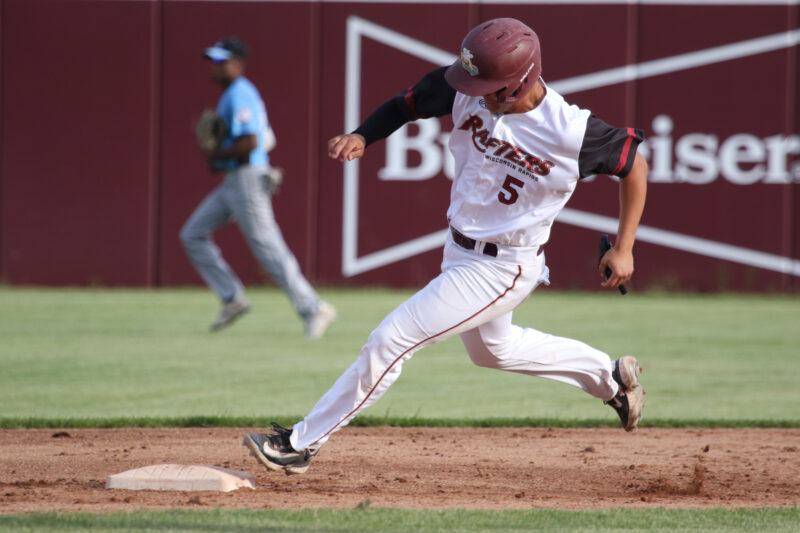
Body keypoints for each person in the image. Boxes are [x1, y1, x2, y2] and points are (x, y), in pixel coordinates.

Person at [243, 18, 648, 474]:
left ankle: (300, 443)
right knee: (492, 351)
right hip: (459, 249)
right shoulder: (466, 87)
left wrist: (625, 246)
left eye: (488, 85)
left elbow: (634, 165)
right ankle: (609, 378)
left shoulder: (571, 131)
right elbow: (405, 106)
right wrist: (362, 136)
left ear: (519, 84)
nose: (473, 90)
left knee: (390, 339)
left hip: (503, 266)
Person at [180, 37, 336, 338]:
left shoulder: (240, 93)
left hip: (248, 179)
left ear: (237, 64)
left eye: (221, 61)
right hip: (234, 179)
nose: (215, 66)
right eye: (213, 60)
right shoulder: (233, 95)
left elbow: (251, 142)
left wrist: (215, 155)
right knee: (192, 234)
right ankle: (232, 297)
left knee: (268, 247)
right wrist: (219, 160)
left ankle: (313, 308)